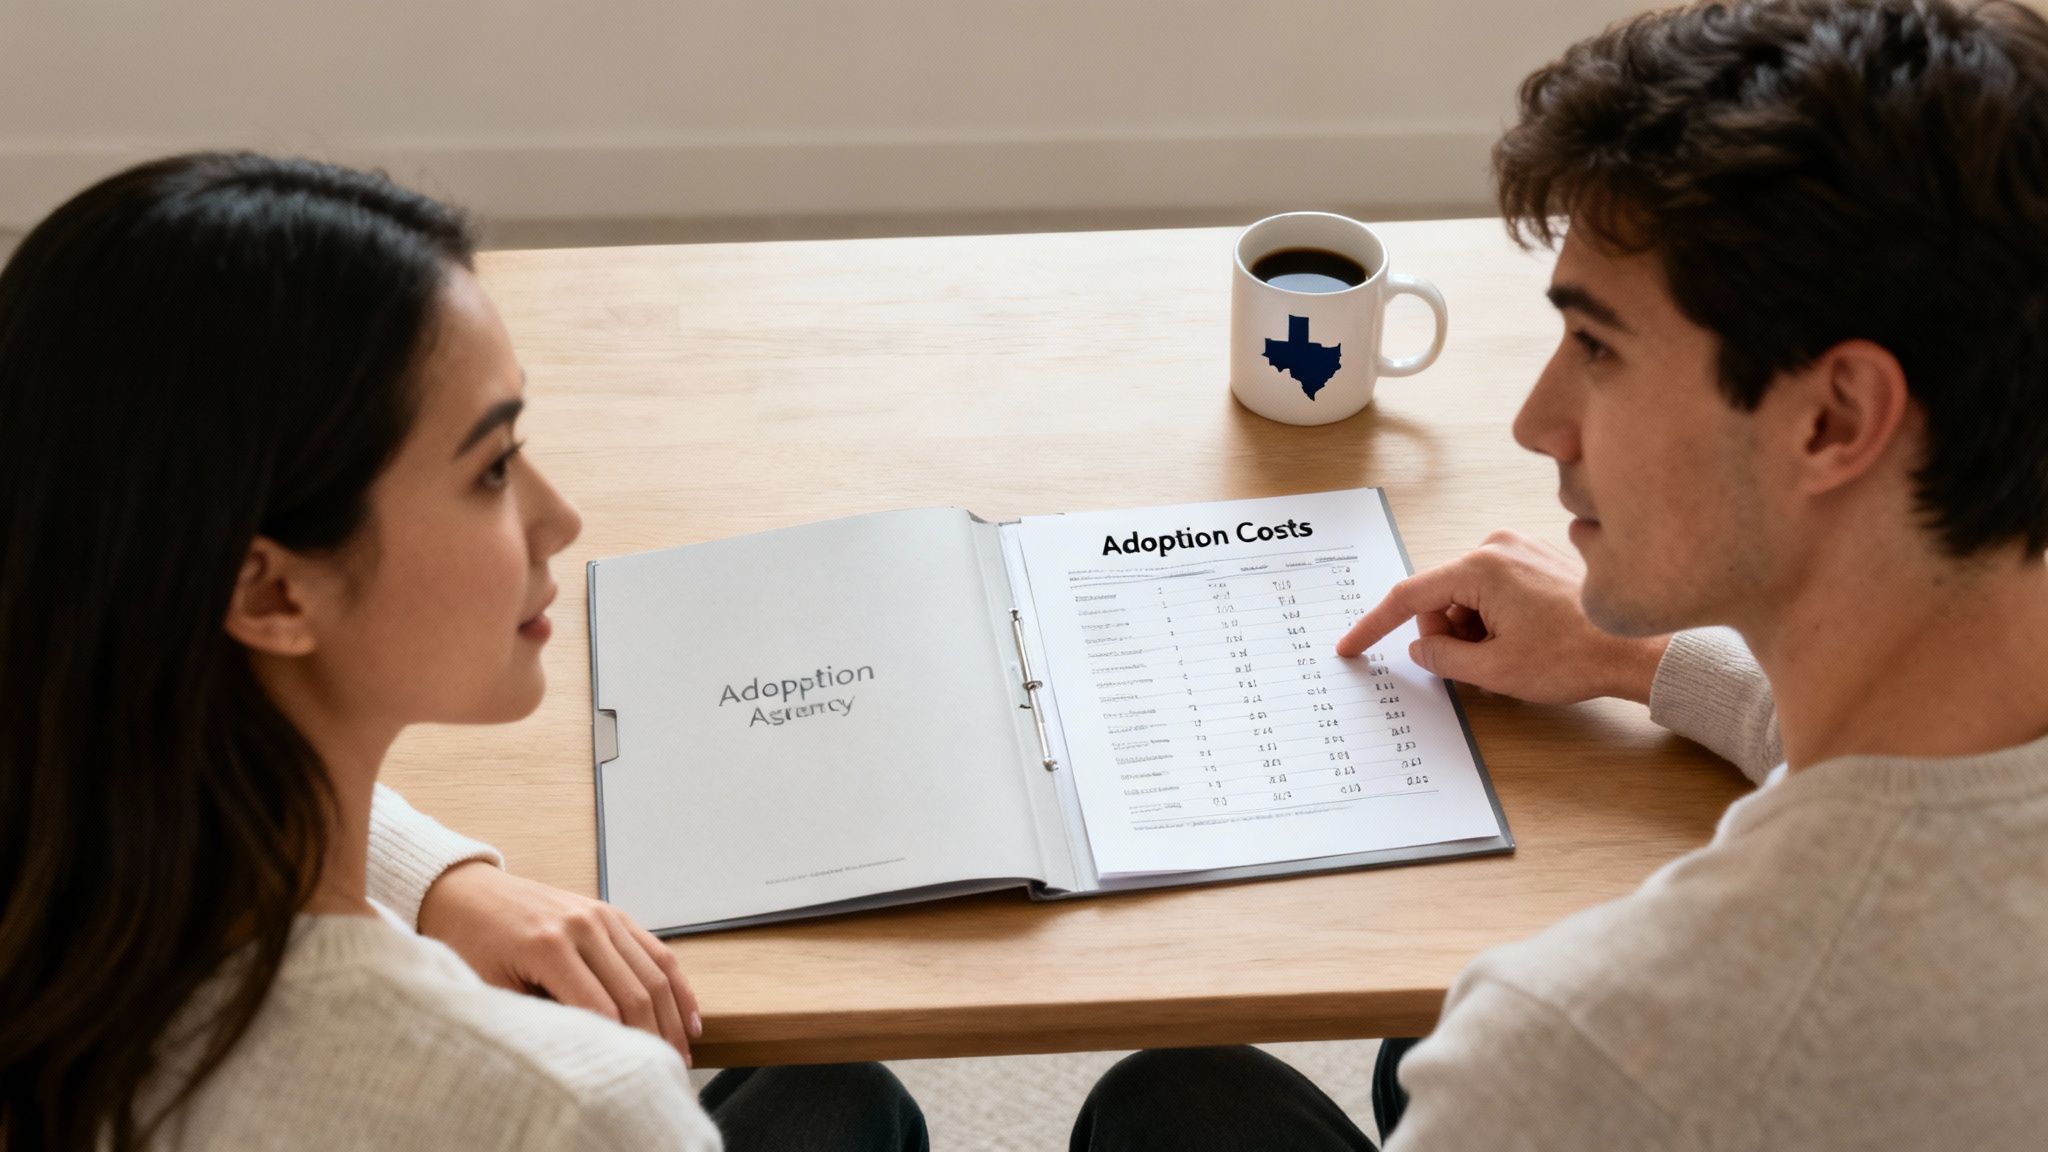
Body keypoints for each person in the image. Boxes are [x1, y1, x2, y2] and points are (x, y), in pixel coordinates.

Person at [1072, 0, 2048, 1147]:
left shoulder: (1578, 1051)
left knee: (1166, 1107)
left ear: (1833, 417)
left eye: (1595, 346)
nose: (1538, 421)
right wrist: (1633, 658)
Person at [0, 153, 926, 1151]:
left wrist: (436, 881)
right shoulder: (559, 1108)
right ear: (270, 591)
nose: (559, 517)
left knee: (835, 1099)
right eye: (490, 468)